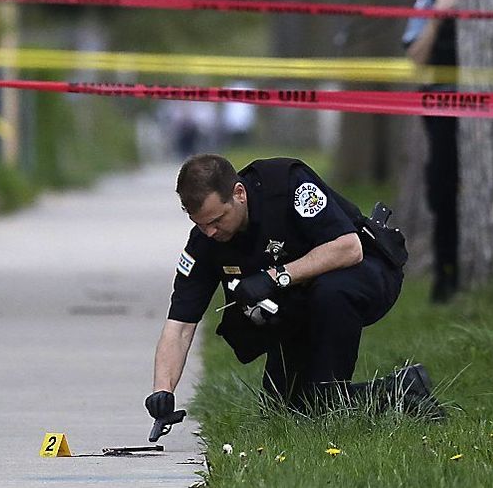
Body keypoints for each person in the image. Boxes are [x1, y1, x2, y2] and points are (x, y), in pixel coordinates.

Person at [145, 154, 439, 420]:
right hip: (302, 302)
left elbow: (350, 248)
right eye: (201, 224)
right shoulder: (205, 242)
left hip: (365, 274)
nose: (211, 231)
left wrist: (276, 276)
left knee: (329, 292)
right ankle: (403, 389)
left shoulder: (284, 185)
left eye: (218, 220)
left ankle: (332, 400)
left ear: (239, 193)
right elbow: (180, 325)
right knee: (282, 414)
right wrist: (163, 390)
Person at [402, 0, 459, 303]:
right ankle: (446, 276)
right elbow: (414, 59)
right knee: (442, 190)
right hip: (442, 110)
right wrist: (440, 15)